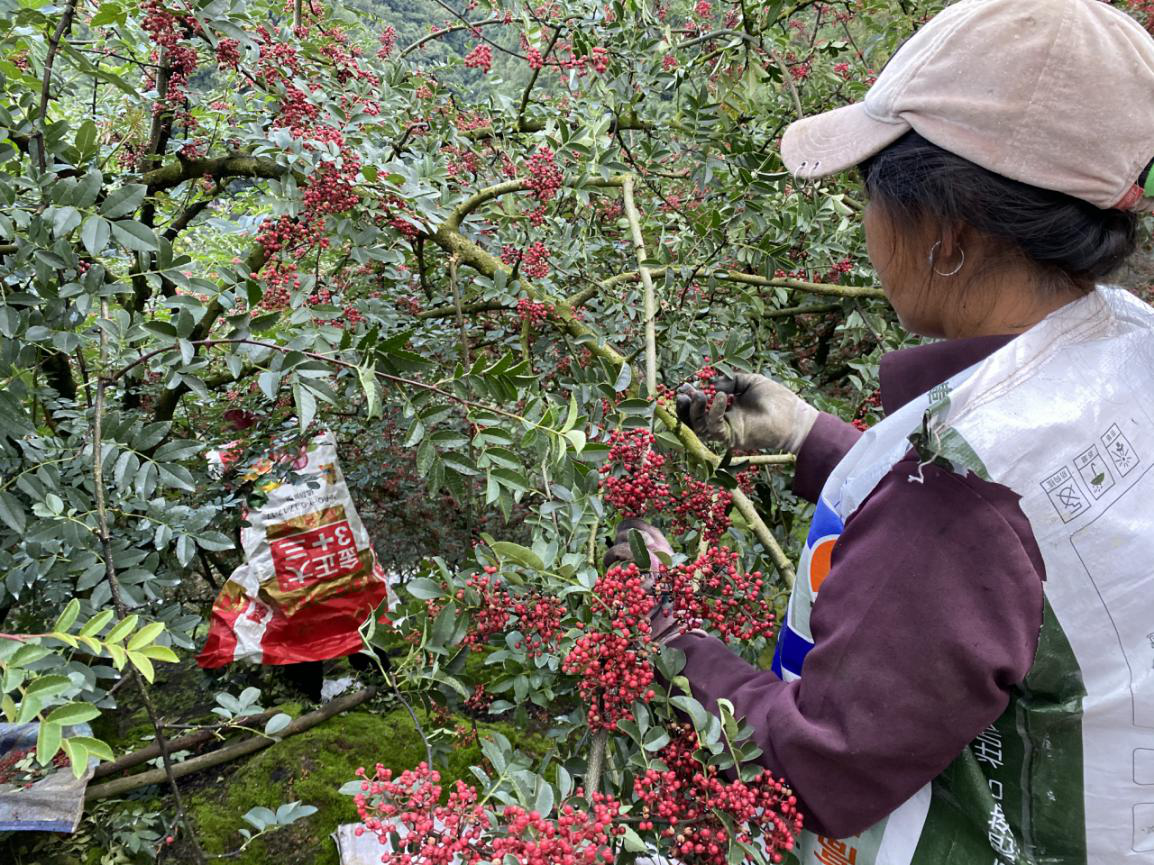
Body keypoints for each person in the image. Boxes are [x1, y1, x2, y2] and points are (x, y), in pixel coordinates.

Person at [611, 1, 1154, 862]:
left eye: (871, 189)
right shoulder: (1127, 341)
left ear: (948, 235)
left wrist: (671, 634)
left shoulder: (953, 498)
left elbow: (818, 765)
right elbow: (1027, 553)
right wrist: (813, 441)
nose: (864, 221)